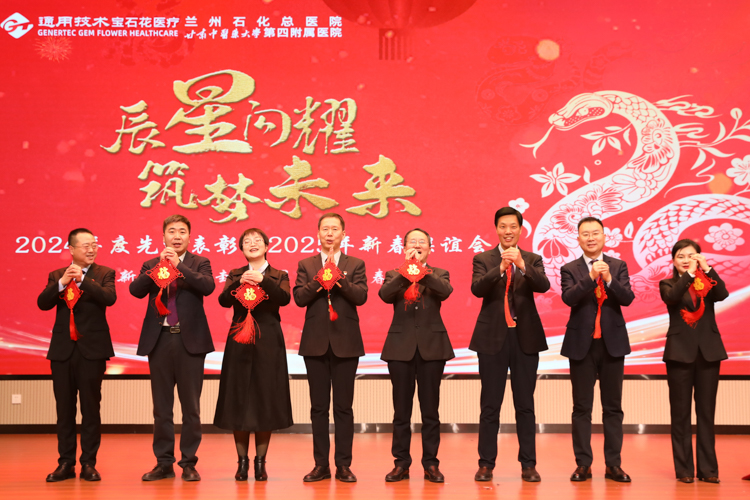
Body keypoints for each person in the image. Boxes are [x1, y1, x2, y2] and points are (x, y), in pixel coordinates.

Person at [130, 214, 215, 482]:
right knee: (162, 408)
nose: (176, 236)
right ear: (163, 236)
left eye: (181, 231)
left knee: (191, 408)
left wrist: (179, 266)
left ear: (189, 236)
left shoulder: (199, 262)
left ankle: (188, 463)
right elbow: (135, 290)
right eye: (171, 231)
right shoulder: (151, 264)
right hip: (160, 341)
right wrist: (159, 267)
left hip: (190, 343)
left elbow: (207, 286)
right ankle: (163, 463)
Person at [470, 207, 550, 483]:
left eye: (513, 226)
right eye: (503, 226)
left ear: (520, 229)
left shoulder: (532, 259)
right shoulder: (483, 259)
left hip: (525, 338)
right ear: (496, 229)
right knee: (490, 405)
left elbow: (543, 285)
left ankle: (528, 464)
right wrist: (501, 268)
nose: (508, 231)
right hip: (492, 339)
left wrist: (522, 265)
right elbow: (477, 289)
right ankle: (486, 464)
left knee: (525, 404)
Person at [214, 228, 293, 481]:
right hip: (239, 341)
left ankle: (260, 462)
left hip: (268, 342)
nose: (252, 244)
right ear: (242, 249)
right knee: (238, 400)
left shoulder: (279, 275)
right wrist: (239, 283)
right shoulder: (235, 274)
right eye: (247, 241)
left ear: (267, 246)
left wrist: (262, 280)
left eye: (257, 240)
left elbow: (284, 299)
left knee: (264, 401)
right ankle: (242, 463)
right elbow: (223, 301)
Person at [37, 228, 116, 482]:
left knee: (91, 409)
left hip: (92, 351)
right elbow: (43, 303)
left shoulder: (104, 273)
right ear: (71, 249)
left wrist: (83, 280)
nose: (91, 249)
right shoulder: (56, 275)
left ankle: (89, 463)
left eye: (94, 245)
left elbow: (109, 298)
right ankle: (66, 463)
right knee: (64, 410)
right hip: (62, 351)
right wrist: (62, 283)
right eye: (85, 246)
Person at [293, 213, 368, 483]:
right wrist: (320, 279)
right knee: (318, 408)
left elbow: (361, 296)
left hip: (346, 343)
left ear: (343, 234)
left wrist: (339, 278)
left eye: (335, 229)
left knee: (344, 408)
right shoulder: (307, 264)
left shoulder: (355, 264)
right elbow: (299, 298)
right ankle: (320, 465)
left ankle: (343, 465)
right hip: (315, 344)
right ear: (318, 234)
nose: (329, 233)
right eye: (325, 229)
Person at [560, 216, 635, 483]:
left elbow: (627, 298)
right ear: (578, 239)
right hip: (581, 346)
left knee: (613, 407)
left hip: (612, 345)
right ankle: (583, 464)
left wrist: (609, 279)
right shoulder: (570, 268)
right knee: (582, 407)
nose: (591, 238)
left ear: (604, 236)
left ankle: (613, 465)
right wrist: (591, 278)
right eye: (585, 234)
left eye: (595, 233)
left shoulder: (618, 265)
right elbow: (569, 298)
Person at [379, 228, 454, 483]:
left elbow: (445, 291)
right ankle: (401, 463)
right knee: (401, 411)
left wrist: (421, 270)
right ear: (404, 248)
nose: (417, 245)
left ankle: (431, 463)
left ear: (430, 249)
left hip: (432, 347)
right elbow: (385, 295)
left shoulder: (439, 273)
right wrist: (406, 271)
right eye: (413, 242)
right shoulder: (393, 274)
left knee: (430, 411)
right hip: (400, 348)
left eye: (422, 242)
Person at [660, 239, 729, 484]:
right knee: (680, 414)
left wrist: (707, 269)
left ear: (699, 257)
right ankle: (684, 470)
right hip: (679, 353)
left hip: (709, 352)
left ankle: (708, 470)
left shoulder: (706, 281)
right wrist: (689, 274)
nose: (686, 260)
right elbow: (672, 298)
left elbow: (722, 294)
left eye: (691, 256)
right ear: (673, 260)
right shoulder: (668, 283)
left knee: (706, 413)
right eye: (681, 256)